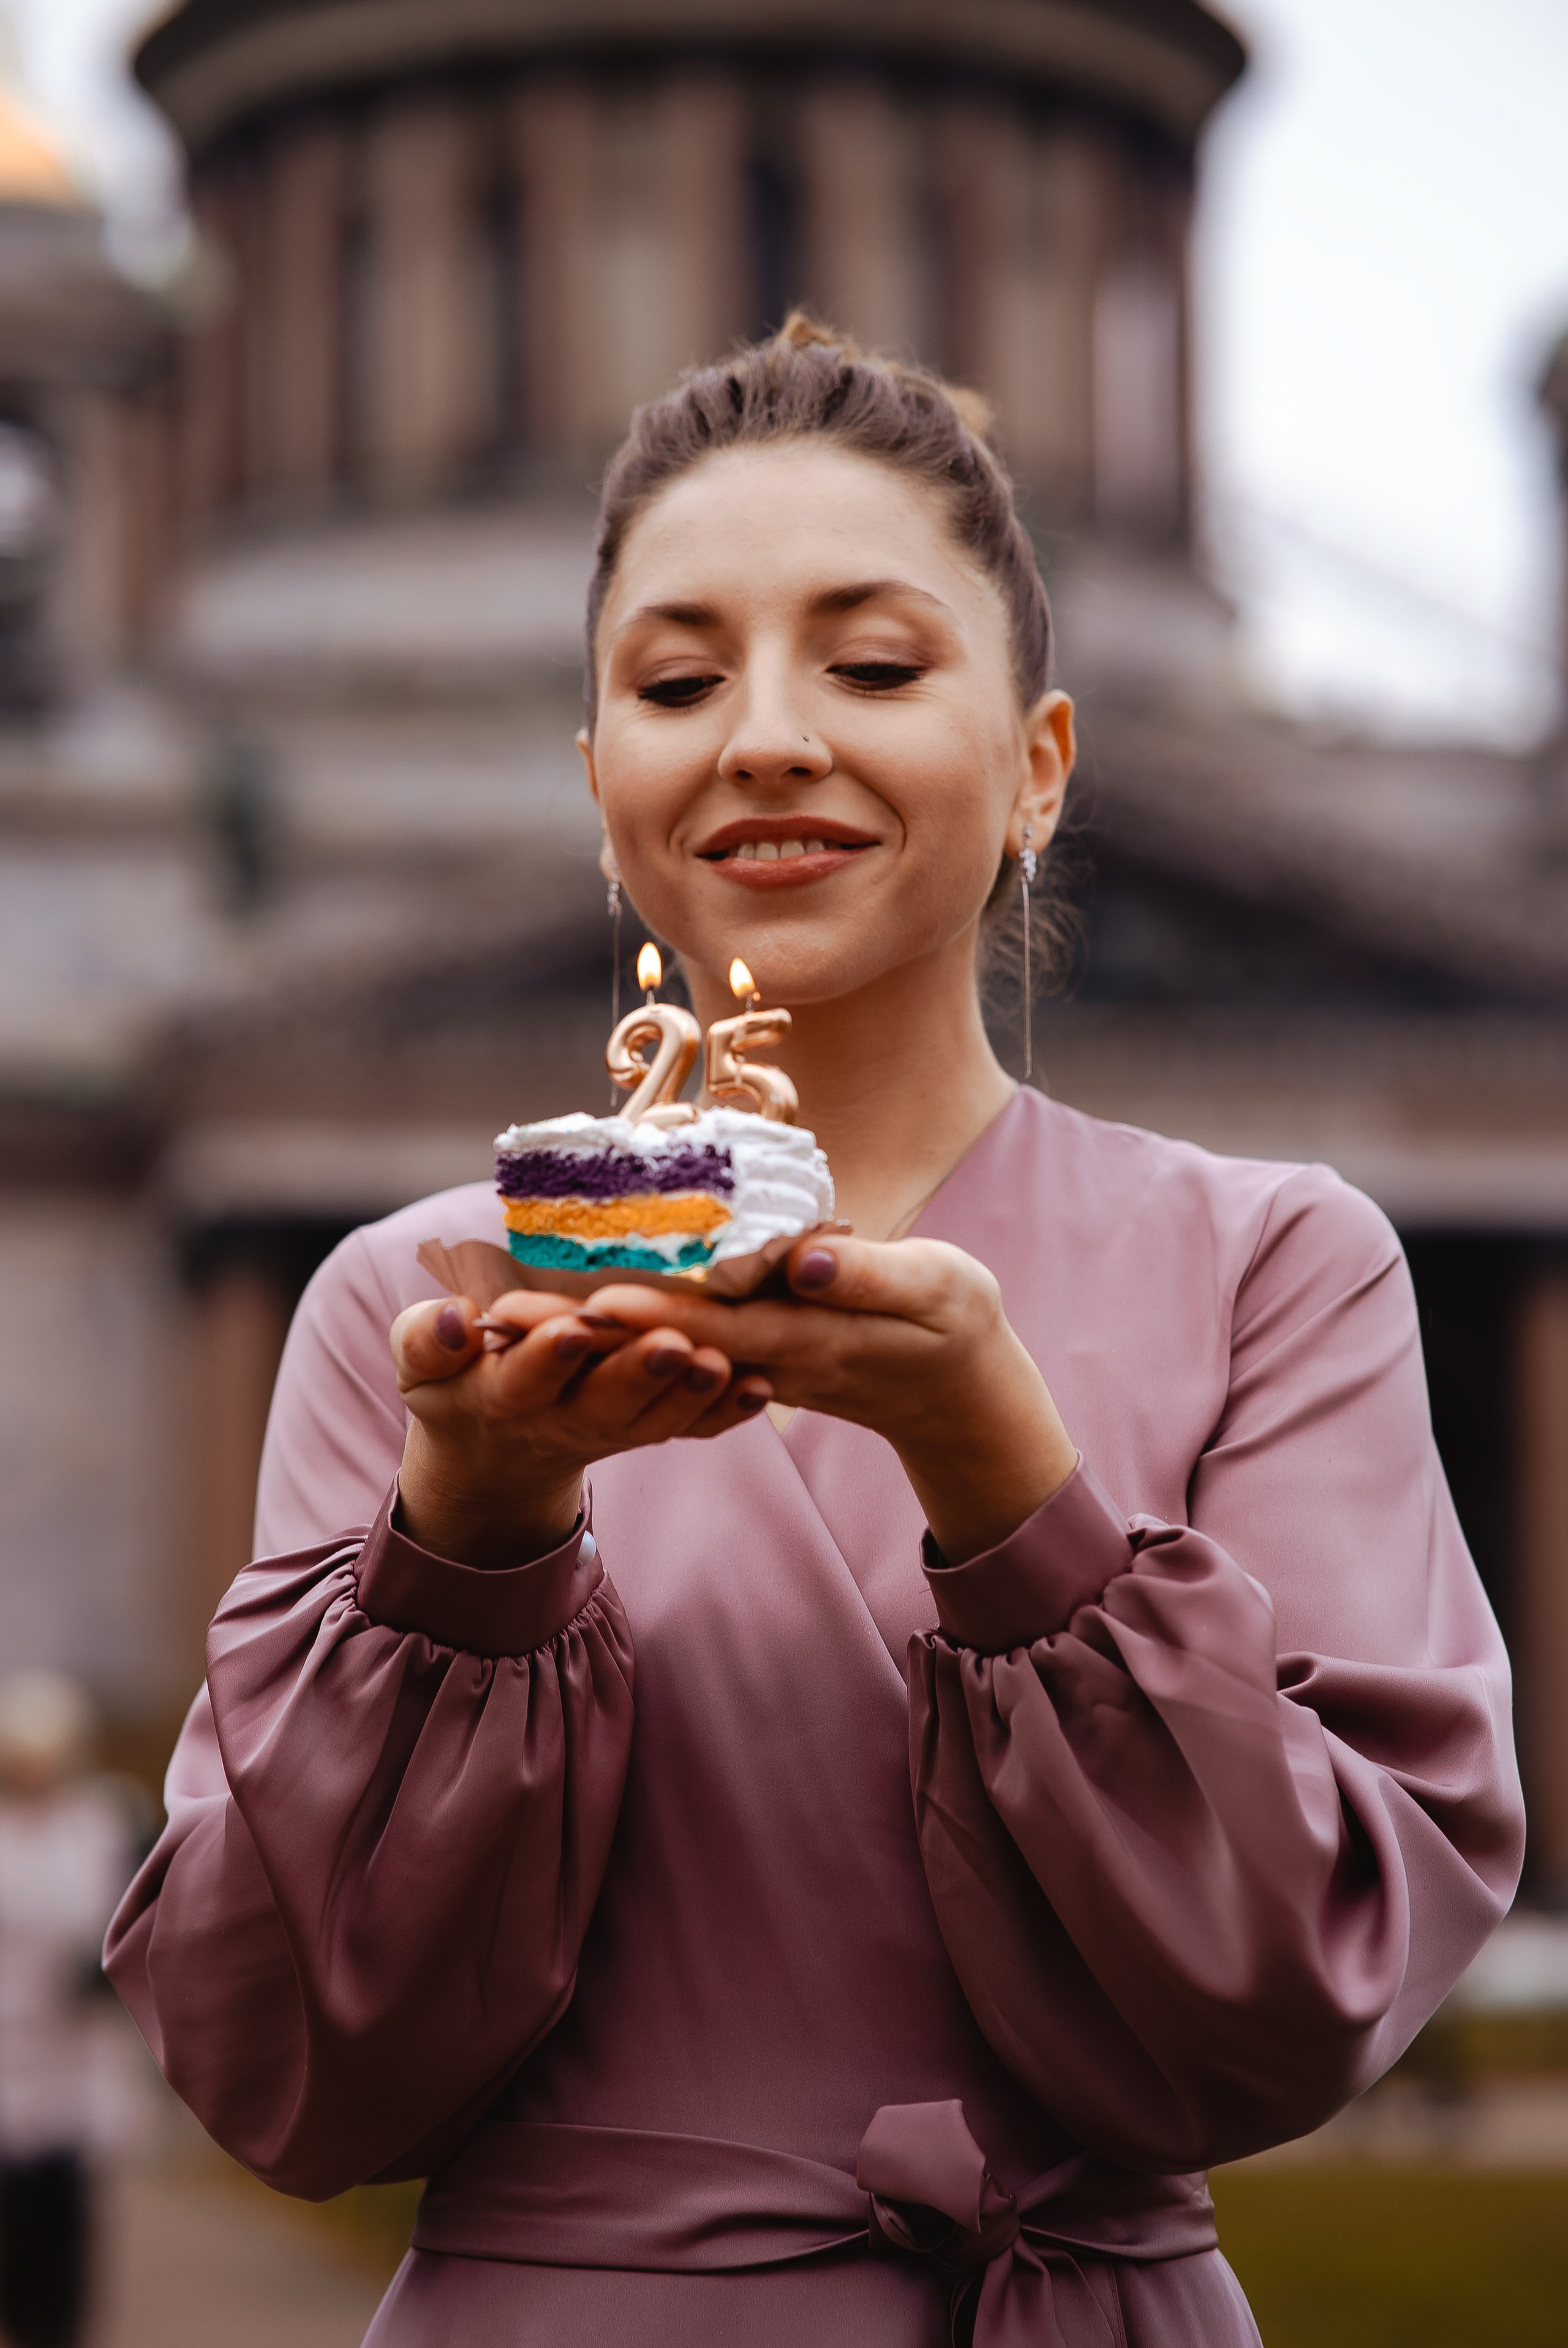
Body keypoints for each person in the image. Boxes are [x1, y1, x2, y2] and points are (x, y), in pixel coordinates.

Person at [105, 316, 1524, 2347]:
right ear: (607, 794)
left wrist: (1003, 1487)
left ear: (1039, 764)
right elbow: (289, 2071)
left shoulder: (1274, 1264)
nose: (770, 736)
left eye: (872, 663)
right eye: (681, 681)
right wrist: (472, 1541)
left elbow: (1293, 1997)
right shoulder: (416, 1308)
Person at [0, 1673, 135, 2348]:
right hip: (8, 2062)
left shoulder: (100, 1827)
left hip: (74, 2069)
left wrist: (105, 1970)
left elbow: (130, 1922)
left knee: (64, 2251)